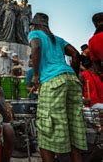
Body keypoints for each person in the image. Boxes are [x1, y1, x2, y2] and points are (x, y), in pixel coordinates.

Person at [28, 13, 87, 161]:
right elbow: (75, 54)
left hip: (52, 81)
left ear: (34, 25)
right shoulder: (58, 39)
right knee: (74, 128)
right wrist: (72, 73)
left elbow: (35, 47)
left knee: (46, 131)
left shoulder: (35, 33)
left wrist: (35, 75)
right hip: (71, 80)